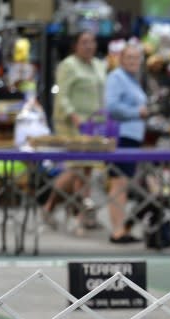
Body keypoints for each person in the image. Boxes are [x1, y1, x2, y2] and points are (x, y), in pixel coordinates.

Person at [42, 31, 107, 235]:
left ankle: (50, 208)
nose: (89, 46)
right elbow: (62, 95)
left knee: (86, 170)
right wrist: (75, 117)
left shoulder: (99, 65)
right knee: (78, 169)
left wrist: (103, 119)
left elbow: (101, 95)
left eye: (92, 41)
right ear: (75, 46)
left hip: (93, 124)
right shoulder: (68, 65)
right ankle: (78, 217)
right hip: (71, 124)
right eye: (84, 42)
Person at [104, 42, 148, 244]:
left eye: (136, 58)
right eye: (129, 58)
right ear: (121, 59)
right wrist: (136, 113)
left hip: (133, 137)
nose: (133, 61)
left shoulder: (132, 80)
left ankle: (122, 227)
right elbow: (111, 106)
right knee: (118, 183)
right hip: (120, 136)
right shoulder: (116, 78)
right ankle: (117, 231)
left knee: (123, 184)